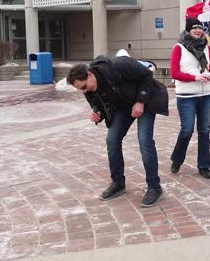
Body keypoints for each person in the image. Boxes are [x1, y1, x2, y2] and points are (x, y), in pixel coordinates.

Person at [66, 55, 169, 207]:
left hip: (145, 101)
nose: (84, 91)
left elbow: (147, 75)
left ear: (90, 74)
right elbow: (97, 104)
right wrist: (97, 114)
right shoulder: (88, 89)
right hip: (124, 107)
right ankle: (118, 183)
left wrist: (140, 101)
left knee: (144, 141)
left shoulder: (118, 65)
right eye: (80, 89)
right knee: (112, 140)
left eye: (83, 86)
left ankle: (155, 187)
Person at [170, 17, 210, 179]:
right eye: (195, 28)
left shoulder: (206, 47)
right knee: (187, 130)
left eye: (200, 28)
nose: (198, 31)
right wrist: (196, 77)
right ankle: (177, 159)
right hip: (187, 96)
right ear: (188, 30)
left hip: (206, 95)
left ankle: (204, 165)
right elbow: (175, 73)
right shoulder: (179, 48)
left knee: (204, 130)